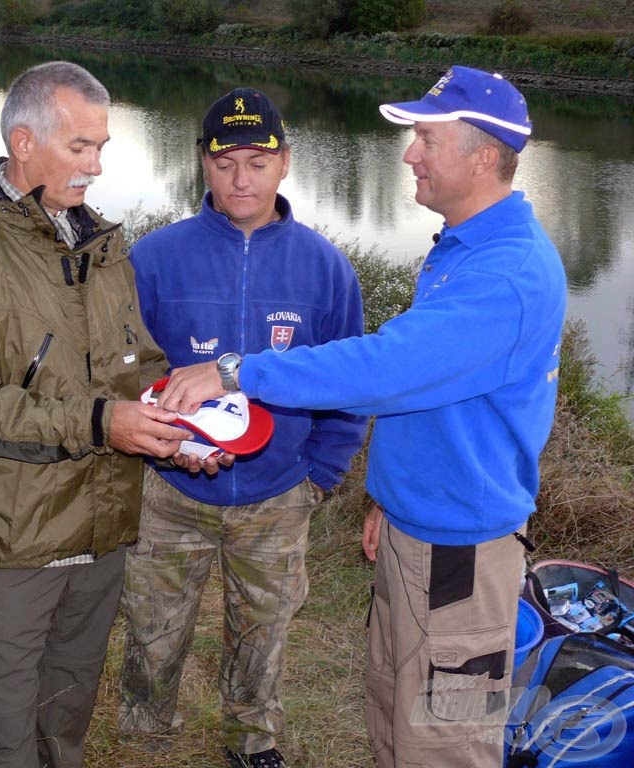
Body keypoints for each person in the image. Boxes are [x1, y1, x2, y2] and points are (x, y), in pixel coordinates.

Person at [155, 65, 567, 767]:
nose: (410, 154)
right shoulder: (463, 249)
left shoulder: (506, 274)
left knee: (447, 739)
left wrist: (234, 370)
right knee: (393, 710)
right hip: (421, 532)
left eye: (426, 140)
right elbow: (426, 394)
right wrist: (388, 495)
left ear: (484, 156)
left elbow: (384, 370)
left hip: (460, 560)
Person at [0, 61, 190, 768]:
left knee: (64, 717)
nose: (96, 166)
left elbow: (137, 364)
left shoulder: (100, 242)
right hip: (10, 540)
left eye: (102, 147)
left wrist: (178, 425)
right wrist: (100, 424)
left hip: (101, 528)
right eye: (80, 147)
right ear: (24, 143)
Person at [117, 87, 368, 768]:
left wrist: (319, 475)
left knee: (263, 630)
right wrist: (163, 444)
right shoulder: (156, 256)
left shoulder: (326, 267)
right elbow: (125, 369)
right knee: (152, 626)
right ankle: (144, 729)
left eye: (258, 161)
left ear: (285, 163)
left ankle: (250, 737)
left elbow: (350, 380)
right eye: (226, 161)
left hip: (277, 494)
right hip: (170, 490)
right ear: (202, 162)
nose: (241, 177)